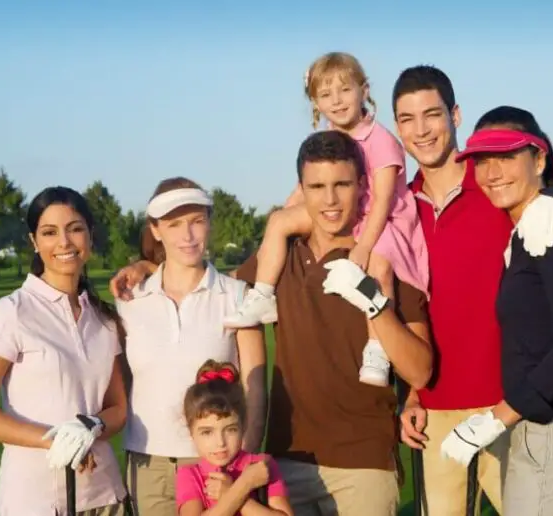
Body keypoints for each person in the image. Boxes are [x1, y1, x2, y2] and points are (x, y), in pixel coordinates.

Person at [392, 66, 553, 516]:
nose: (421, 130)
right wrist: (413, 394)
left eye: (432, 114)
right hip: (439, 411)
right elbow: (412, 306)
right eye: (407, 119)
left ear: (455, 115)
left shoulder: (503, 188)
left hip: (512, 406)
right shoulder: (401, 206)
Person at [230, 130, 432, 515]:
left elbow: (420, 371)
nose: (330, 200)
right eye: (317, 186)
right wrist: (145, 267)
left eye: (341, 184)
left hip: (366, 462)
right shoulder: (278, 258)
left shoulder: (384, 258)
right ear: (301, 190)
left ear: (361, 185)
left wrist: (375, 304)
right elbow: (211, 293)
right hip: (286, 459)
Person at [439, 105, 553, 515]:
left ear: (539, 159)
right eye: (483, 162)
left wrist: (493, 420)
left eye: (506, 158)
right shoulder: (525, 231)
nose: (492, 173)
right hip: (536, 429)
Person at [222, 51, 429, 389]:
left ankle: (376, 348)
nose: (337, 101)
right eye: (325, 94)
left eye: (344, 90)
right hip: (352, 211)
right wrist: (285, 216)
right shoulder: (333, 140)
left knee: (379, 268)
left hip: (384, 220)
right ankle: (262, 296)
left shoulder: (381, 141)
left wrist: (362, 248)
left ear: (364, 91)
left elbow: (383, 202)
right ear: (316, 103)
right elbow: (302, 191)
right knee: (278, 220)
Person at [0, 186, 128, 515]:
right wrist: (54, 438)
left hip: (104, 495)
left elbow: (117, 408)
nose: (64, 242)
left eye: (75, 229)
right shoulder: (13, 312)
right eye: (49, 232)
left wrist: (90, 427)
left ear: (90, 235)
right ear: (35, 242)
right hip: (34, 499)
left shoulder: (104, 319)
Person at [115, 177, 267, 516]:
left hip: (215, 463)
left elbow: (255, 386)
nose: (187, 236)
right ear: (155, 230)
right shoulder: (130, 300)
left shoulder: (237, 295)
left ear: (210, 223)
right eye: (174, 224)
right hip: (147, 463)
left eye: (197, 221)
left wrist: (242, 462)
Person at [175, 359, 293, 515]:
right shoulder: (189, 475)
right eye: (207, 432)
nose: (220, 442)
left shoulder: (261, 466)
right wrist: (243, 486)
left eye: (230, 430)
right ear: (191, 432)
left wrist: (233, 493)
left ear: (243, 425)